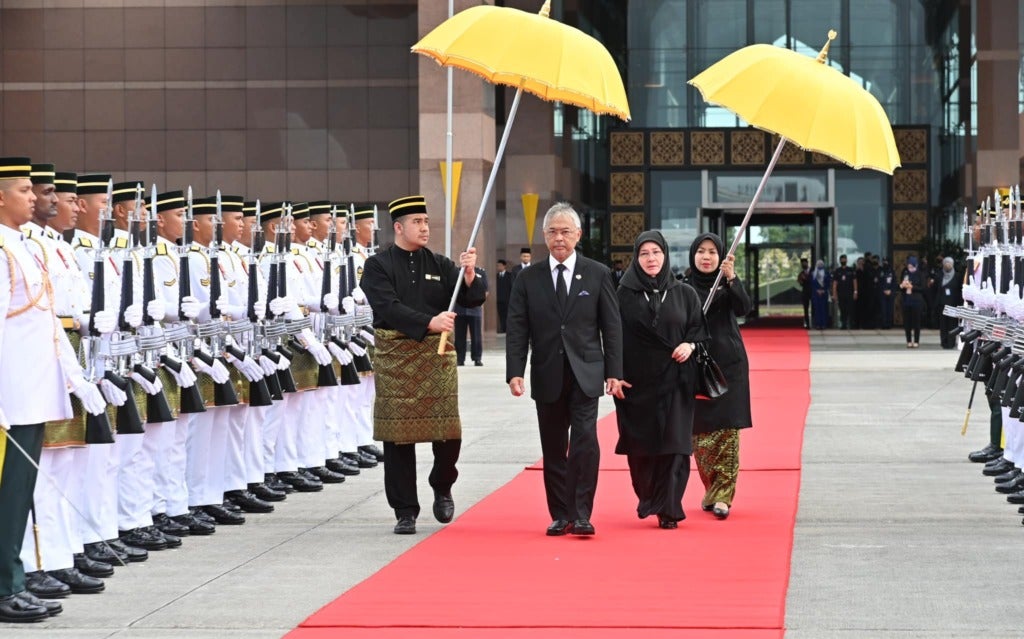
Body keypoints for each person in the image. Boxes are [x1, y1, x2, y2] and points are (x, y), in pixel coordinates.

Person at [0, 157, 107, 622]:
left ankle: (12, 579)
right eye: (23, 190)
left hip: (32, 391)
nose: (32, 197)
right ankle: (6, 586)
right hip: (9, 395)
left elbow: (46, 320)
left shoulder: (25, 246)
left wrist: (76, 378)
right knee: (7, 494)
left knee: (19, 493)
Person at [361, 195, 485, 535]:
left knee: (449, 432)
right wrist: (429, 321)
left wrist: (471, 275)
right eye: (417, 222)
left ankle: (442, 484)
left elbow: (472, 298)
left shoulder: (441, 264)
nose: (425, 228)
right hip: (396, 357)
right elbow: (387, 307)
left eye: (427, 222)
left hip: (436, 357)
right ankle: (405, 510)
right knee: (398, 439)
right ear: (399, 227)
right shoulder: (378, 265)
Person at [505, 202, 623, 537]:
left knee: (585, 441)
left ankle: (581, 513)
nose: (559, 238)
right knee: (554, 446)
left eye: (566, 232)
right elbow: (517, 328)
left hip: (587, 373)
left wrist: (614, 370)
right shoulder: (528, 278)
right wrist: (516, 371)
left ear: (578, 235)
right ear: (544, 236)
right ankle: (560, 513)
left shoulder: (597, 273)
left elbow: (611, 327)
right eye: (553, 232)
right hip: (547, 372)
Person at [612, 231, 706, 529]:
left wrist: (689, 345)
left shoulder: (684, 293)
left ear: (665, 255)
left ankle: (670, 506)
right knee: (641, 448)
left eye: (656, 252)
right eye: (644, 254)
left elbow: (698, 331)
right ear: (636, 259)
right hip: (635, 383)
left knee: (676, 445)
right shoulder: (623, 294)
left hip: (677, 380)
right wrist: (612, 374)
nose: (651, 259)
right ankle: (649, 495)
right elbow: (612, 337)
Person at [683, 233, 752, 520]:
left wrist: (732, 278)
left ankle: (724, 496)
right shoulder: (682, 288)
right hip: (696, 367)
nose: (707, 256)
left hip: (729, 366)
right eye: (701, 251)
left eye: (713, 251)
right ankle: (711, 489)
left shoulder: (726, 285)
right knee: (700, 436)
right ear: (693, 256)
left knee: (726, 431)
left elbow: (744, 309)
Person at [454, 266, 488, 366]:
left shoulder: (480, 272)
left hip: (475, 309)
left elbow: (485, 290)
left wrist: (479, 303)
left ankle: (477, 358)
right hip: (460, 309)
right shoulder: (457, 271)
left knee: (476, 335)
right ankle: (460, 359)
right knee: (459, 335)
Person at [900, 255, 926, 348]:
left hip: (916, 301)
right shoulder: (905, 272)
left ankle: (916, 340)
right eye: (909, 266)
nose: (910, 268)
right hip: (907, 300)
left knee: (916, 322)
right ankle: (908, 340)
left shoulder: (920, 274)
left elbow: (923, 288)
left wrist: (912, 287)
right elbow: (901, 284)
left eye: (912, 266)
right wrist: (902, 286)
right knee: (907, 322)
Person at [936, 256, 962, 349]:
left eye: (949, 263)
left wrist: (960, 304)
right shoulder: (939, 275)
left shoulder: (957, 276)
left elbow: (959, 291)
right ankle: (944, 342)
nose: (948, 265)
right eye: (946, 263)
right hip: (942, 304)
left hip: (953, 304)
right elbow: (935, 290)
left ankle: (951, 342)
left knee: (952, 324)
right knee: (943, 325)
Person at [831, 254, 857, 329]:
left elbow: (854, 281)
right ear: (840, 261)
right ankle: (844, 324)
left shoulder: (850, 270)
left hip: (850, 293)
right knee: (842, 309)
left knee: (851, 309)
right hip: (841, 294)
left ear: (846, 260)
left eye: (844, 259)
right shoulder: (837, 271)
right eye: (842, 260)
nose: (843, 261)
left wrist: (855, 292)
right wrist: (834, 294)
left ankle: (851, 324)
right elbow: (835, 283)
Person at [809, 259, 831, 329]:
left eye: (821, 264)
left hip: (824, 294)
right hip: (816, 294)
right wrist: (817, 290)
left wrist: (823, 290)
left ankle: (824, 324)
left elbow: (828, 283)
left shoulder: (826, 273)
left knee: (824, 309)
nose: (820, 265)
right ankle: (818, 324)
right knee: (817, 309)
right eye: (818, 264)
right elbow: (811, 284)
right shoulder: (813, 274)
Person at [495, 259, 513, 334]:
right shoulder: (496, 277)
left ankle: (509, 330)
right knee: (501, 315)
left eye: (500, 265)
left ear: (504, 266)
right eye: (497, 266)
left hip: (508, 300)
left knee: (508, 315)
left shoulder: (510, 276)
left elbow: (512, 287)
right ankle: (503, 329)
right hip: (499, 300)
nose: (498, 267)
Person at [878, 256, 895, 329]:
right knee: (883, 310)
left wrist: (890, 290)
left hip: (890, 293)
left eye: (886, 261)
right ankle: (884, 324)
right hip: (882, 293)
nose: (885, 262)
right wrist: (883, 290)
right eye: (884, 261)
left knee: (889, 309)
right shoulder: (880, 270)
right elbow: (879, 282)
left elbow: (894, 282)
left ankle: (889, 324)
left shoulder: (892, 271)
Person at [796, 257, 811, 329]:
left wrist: (806, 279)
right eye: (802, 264)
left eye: (804, 263)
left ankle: (815, 323)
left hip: (812, 292)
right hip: (805, 293)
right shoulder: (801, 274)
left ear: (807, 263)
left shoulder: (813, 271)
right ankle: (807, 324)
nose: (803, 265)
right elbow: (800, 282)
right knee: (805, 309)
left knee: (815, 308)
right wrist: (801, 280)